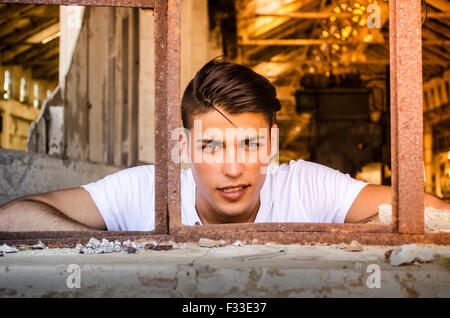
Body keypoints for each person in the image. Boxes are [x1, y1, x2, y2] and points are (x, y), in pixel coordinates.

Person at [0, 59, 448, 231]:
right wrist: (113, 253)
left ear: (271, 144)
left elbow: (437, 212)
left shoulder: (308, 187)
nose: (233, 169)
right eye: (212, 146)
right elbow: (13, 216)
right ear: (183, 147)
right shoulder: (144, 191)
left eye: (250, 143)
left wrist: (339, 239)